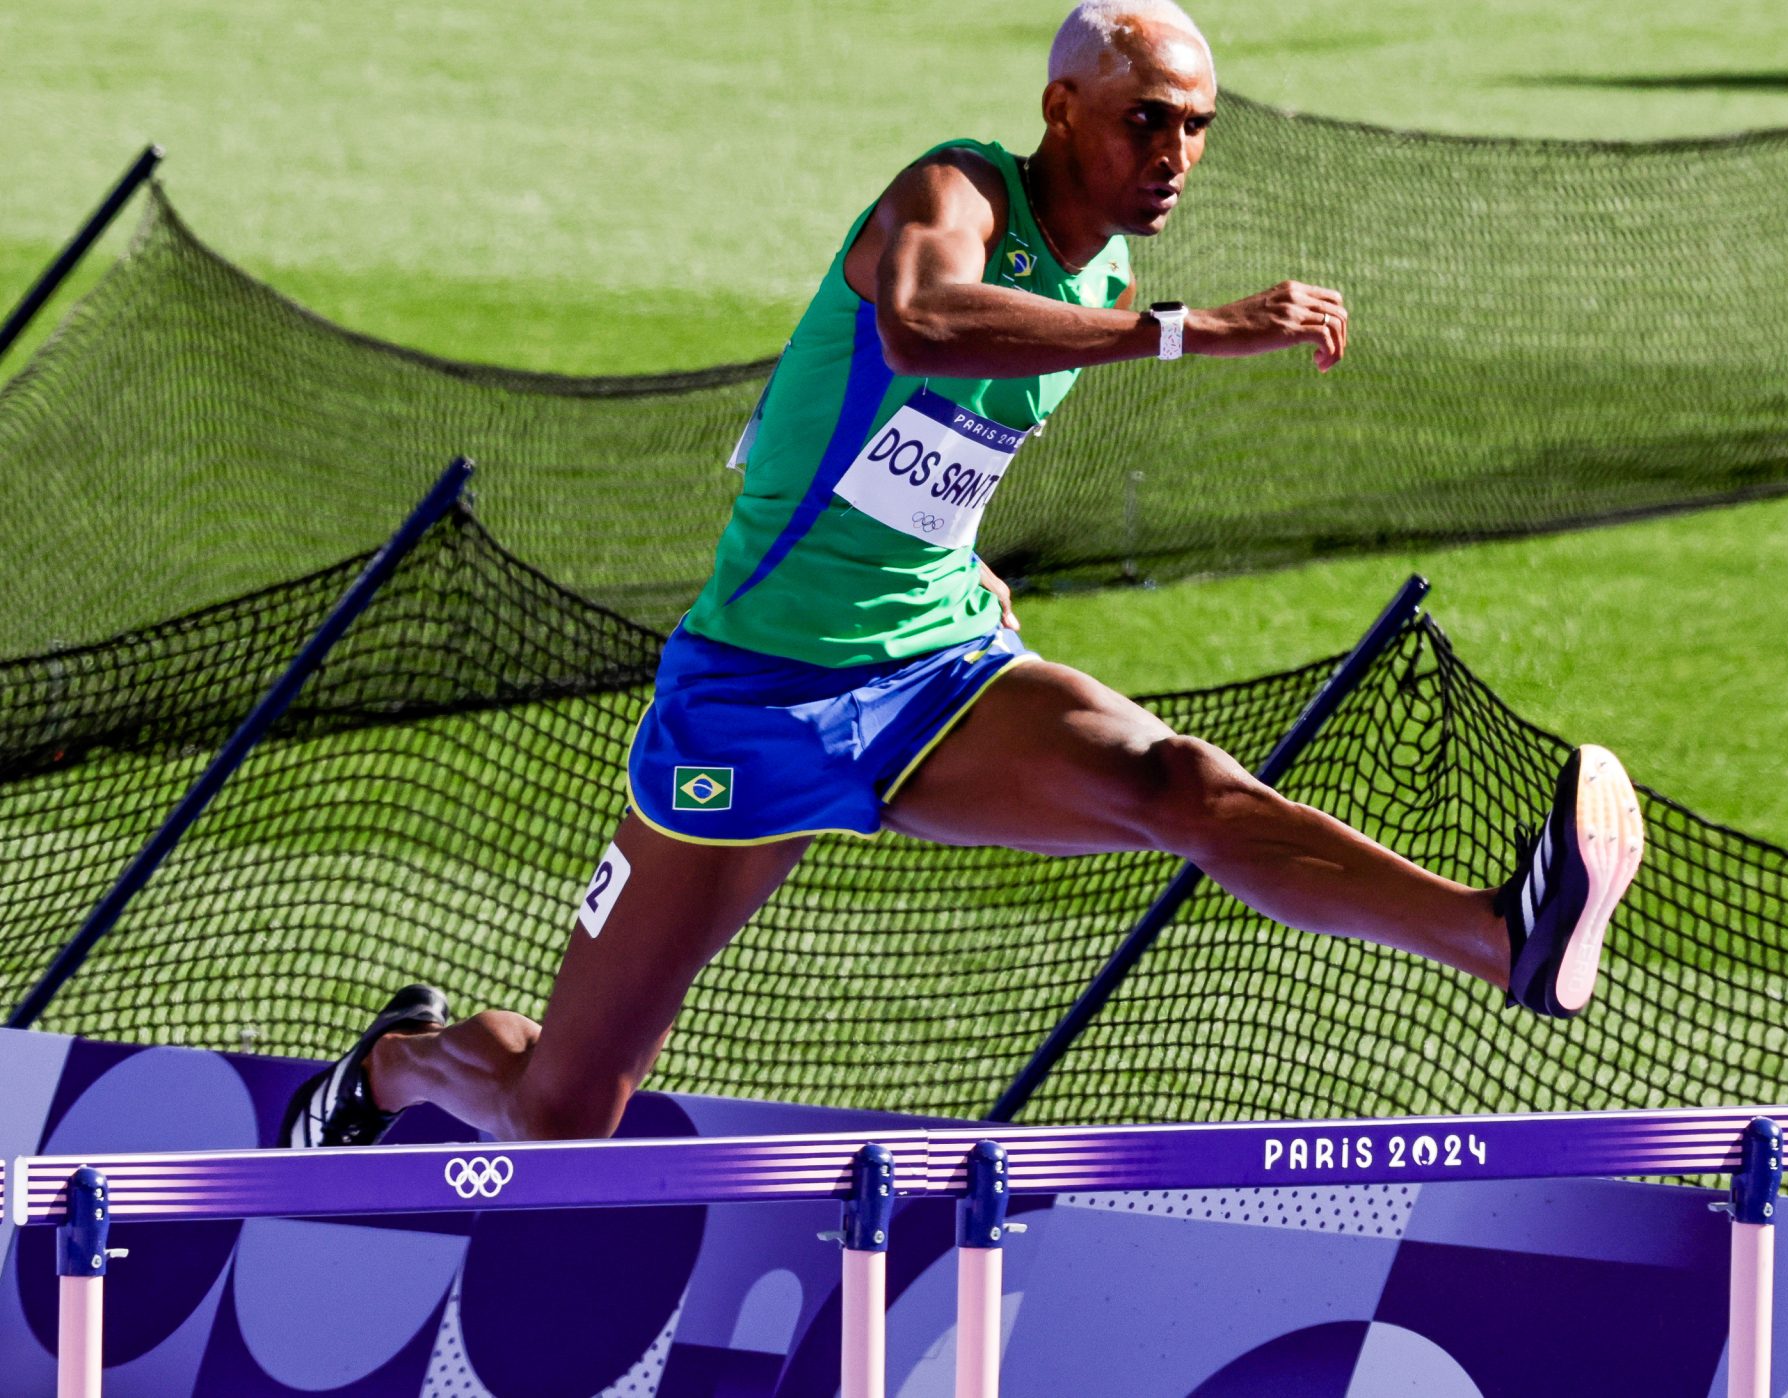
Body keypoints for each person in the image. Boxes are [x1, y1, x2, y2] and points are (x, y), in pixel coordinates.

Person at [281, 0, 1643, 1149]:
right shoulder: (955, 192)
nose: (1176, 152)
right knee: (564, 1114)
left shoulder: (1099, 265)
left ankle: (1502, 936)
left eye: (1198, 125)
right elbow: (926, 328)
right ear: (1063, 107)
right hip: (753, 700)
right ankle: (402, 1063)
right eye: (1145, 118)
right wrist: (1185, 332)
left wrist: (959, 561)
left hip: (932, 671)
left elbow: (914, 450)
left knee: (1181, 787)